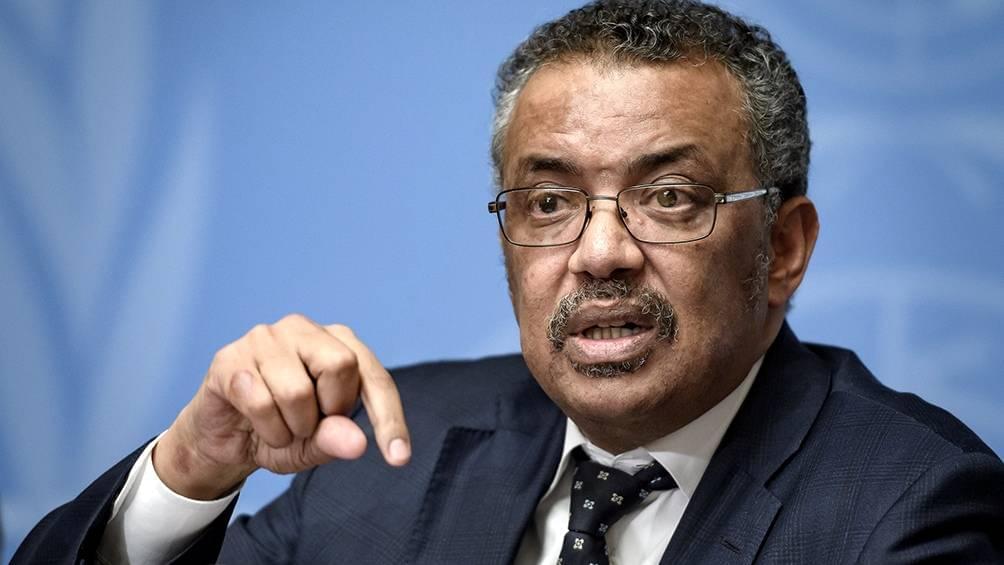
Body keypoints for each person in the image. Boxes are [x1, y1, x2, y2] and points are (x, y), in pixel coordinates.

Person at [14, 0, 1004, 563]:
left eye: (667, 197)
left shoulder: (909, 508)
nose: (600, 252)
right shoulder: (374, 458)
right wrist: (189, 472)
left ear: (782, 247)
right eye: (548, 201)